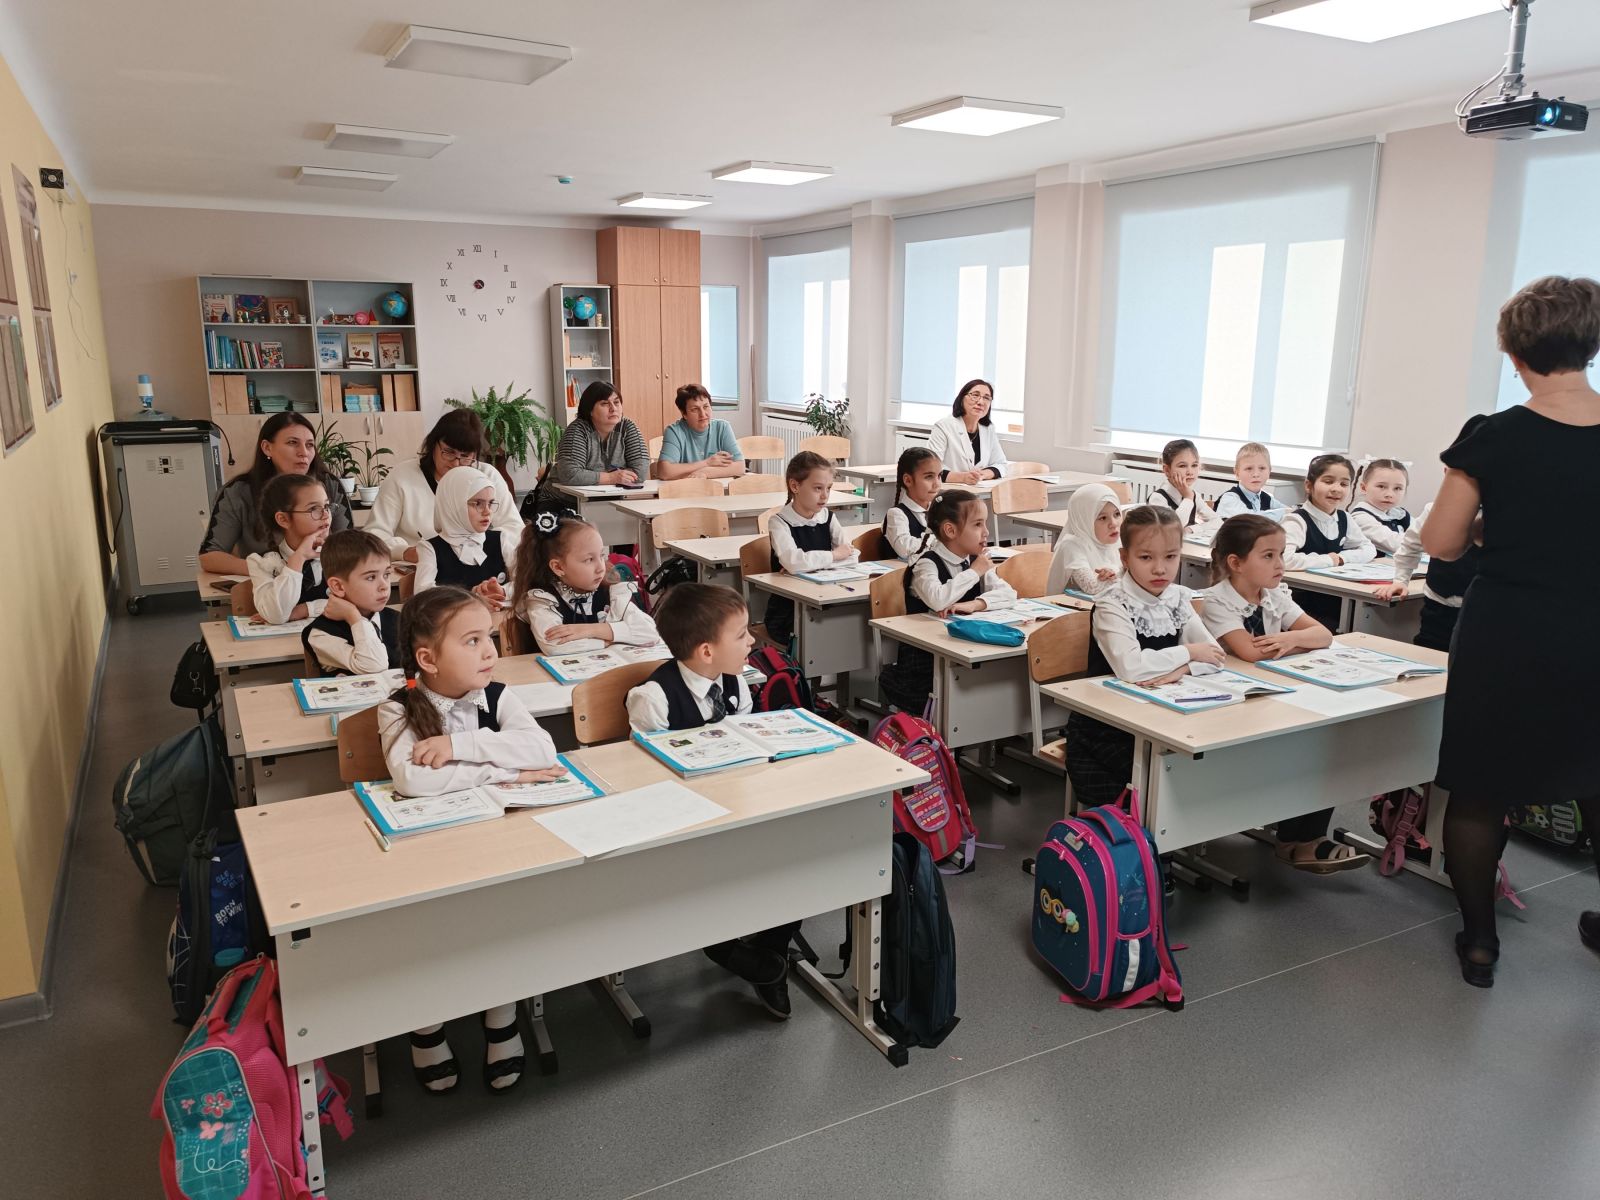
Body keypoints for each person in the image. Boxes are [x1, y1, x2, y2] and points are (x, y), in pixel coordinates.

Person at [1423, 275, 1600, 987]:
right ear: (1591, 346)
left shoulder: (1492, 435)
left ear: (1513, 352)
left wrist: (1493, 532)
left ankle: (1479, 944)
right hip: (1592, 631)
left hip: (1508, 634)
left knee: (1479, 788)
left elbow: (1441, 542)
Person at [377, 586, 565, 1091]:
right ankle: (426, 1026)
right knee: (429, 934)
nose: (490, 652)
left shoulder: (498, 696)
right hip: (428, 852)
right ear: (428, 659)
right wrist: (507, 772)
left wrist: (459, 745)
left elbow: (543, 750)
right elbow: (413, 780)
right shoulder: (398, 709)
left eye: (490, 637)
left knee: (502, 920)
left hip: (496, 839)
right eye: (472, 641)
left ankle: (501, 1017)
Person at [625, 584, 797, 1018]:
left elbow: (749, 745)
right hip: (684, 823)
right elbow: (646, 780)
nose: (752, 641)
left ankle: (768, 952)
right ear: (706, 651)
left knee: (798, 855)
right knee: (708, 880)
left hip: (738, 807)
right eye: (741, 635)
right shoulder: (652, 699)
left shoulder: (736, 682)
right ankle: (727, 950)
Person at [1200, 516, 1368, 873]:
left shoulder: (1275, 595)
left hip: (1276, 694)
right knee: (1301, 748)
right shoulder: (1217, 601)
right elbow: (1250, 651)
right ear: (1236, 563)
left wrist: (1288, 639)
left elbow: (1323, 635)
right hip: (1233, 707)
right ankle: (1295, 838)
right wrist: (1296, 642)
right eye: (1268, 556)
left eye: (1281, 554)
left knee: (1324, 742)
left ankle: (1304, 836)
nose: (1280, 564)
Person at [1063, 506, 1225, 810]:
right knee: (1173, 777)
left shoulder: (1177, 597)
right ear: (1125, 558)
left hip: (1164, 719)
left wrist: (1183, 669)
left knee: (1209, 760)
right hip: (1107, 731)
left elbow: (1215, 655)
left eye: (1170, 557)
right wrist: (1189, 653)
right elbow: (1132, 668)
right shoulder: (1113, 603)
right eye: (1146, 557)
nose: (1160, 569)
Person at [876, 490, 1016, 715]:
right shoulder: (927, 564)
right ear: (950, 530)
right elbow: (938, 599)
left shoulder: (974, 561)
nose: (986, 532)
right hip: (924, 665)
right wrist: (974, 573)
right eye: (977, 524)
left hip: (963, 650)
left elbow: (1009, 594)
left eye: (985, 523)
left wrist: (975, 604)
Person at [199, 413, 352, 575]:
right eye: (292, 443)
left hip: (325, 581)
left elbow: (351, 546)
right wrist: (272, 571)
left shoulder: (329, 484)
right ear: (267, 447)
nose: (304, 452)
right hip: (267, 584)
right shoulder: (238, 491)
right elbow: (209, 556)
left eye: (309, 445)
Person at [364, 409, 521, 561]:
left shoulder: (488, 476)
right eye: (449, 452)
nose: (456, 463)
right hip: (418, 567)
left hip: (477, 567)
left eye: (465, 456)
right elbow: (374, 534)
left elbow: (514, 528)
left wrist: (482, 545)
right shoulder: (402, 476)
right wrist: (403, 551)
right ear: (433, 445)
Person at [511, 514, 657, 655]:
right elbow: (554, 645)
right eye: (589, 560)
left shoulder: (611, 591)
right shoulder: (542, 599)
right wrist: (608, 641)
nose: (601, 568)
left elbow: (650, 632)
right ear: (558, 567)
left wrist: (591, 630)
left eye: (601, 555)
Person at [764, 451, 857, 645]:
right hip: (789, 612)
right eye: (817, 488)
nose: (825, 495)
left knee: (851, 627)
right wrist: (833, 556)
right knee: (829, 637)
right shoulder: (779, 522)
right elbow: (794, 561)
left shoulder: (828, 517)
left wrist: (807, 566)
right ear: (795, 486)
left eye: (828, 488)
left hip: (825, 600)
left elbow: (851, 556)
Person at [1281, 452, 1375, 629]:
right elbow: (1283, 560)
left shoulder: (1344, 518)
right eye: (1328, 481)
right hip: (1300, 603)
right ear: (1309, 485)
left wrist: (1342, 558)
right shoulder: (1296, 520)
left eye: (1344, 484)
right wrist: (1328, 560)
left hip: (1336, 596)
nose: (1336, 489)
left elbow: (1368, 549)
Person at [1374, 501, 1479, 653]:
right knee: (1428, 652)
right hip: (1438, 603)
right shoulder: (1437, 507)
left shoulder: (1506, 512)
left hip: (1483, 609)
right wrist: (1401, 580)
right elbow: (1411, 544)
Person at [412, 466, 519, 603]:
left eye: (491, 503)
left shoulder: (500, 539)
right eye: (478, 503)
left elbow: (528, 582)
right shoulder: (430, 548)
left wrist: (503, 590)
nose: (487, 511)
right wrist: (472, 597)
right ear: (454, 504)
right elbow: (422, 594)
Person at [302, 530, 399, 676]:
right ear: (338, 586)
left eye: (386, 574)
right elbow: (375, 666)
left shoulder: (398, 620)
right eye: (371, 577)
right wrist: (353, 617)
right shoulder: (321, 635)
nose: (384, 586)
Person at [537, 382, 649, 503]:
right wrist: (611, 477)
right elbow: (570, 475)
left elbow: (640, 472)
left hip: (607, 502)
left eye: (616, 402)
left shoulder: (627, 427)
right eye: (605, 403)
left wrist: (592, 476)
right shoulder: (578, 430)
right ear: (590, 410)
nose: (613, 408)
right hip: (561, 502)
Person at [245, 473, 332, 626]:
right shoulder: (261, 562)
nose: (326, 515)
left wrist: (304, 610)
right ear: (283, 519)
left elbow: (359, 603)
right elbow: (276, 616)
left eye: (326, 506)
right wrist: (299, 558)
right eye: (314, 508)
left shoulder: (343, 553)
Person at [1046, 482, 1123, 597]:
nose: (1113, 523)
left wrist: (1116, 575)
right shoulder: (1071, 545)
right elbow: (1091, 587)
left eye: (1117, 514)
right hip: (1071, 607)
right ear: (1084, 520)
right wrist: (1118, 575)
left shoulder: (1118, 541)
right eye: (1103, 518)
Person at [926, 379, 1009, 484]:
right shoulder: (944, 426)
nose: (980, 402)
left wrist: (982, 475)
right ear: (962, 398)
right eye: (975, 395)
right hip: (949, 490)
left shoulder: (988, 429)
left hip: (979, 489)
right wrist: (963, 478)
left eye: (986, 398)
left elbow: (1001, 464)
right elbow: (930, 468)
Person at [657, 384, 745, 480]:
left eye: (706, 407)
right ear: (684, 414)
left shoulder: (723, 427)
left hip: (716, 488)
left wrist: (705, 472)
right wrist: (707, 463)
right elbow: (665, 472)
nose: (703, 414)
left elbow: (740, 467)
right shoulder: (674, 431)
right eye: (695, 409)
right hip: (686, 488)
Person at [880, 446, 941, 561]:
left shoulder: (939, 510)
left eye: (939, 476)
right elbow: (905, 549)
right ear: (908, 480)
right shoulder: (896, 514)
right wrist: (943, 542)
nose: (937, 484)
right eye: (929, 477)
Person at [1349, 458, 1412, 556]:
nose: (1389, 494)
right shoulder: (1360, 518)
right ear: (1364, 488)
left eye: (1397, 488)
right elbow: (1397, 544)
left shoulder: (1399, 514)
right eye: (1381, 486)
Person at [1148, 439, 1216, 528]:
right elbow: (1174, 528)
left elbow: (1217, 521)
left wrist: (1192, 529)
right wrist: (1188, 498)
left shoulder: (1194, 496)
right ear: (1167, 470)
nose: (1190, 472)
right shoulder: (1158, 498)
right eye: (1182, 466)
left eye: (1194, 465)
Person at [1213, 442, 1282, 521]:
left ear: (1269, 472)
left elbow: (1290, 512)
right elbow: (1251, 519)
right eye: (1249, 468)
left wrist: (1288, 512)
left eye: (1262, 468)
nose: (1256, 474)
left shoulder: (1267, 498)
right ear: (1237, 473)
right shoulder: (1229, 498)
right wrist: (1283, 513)